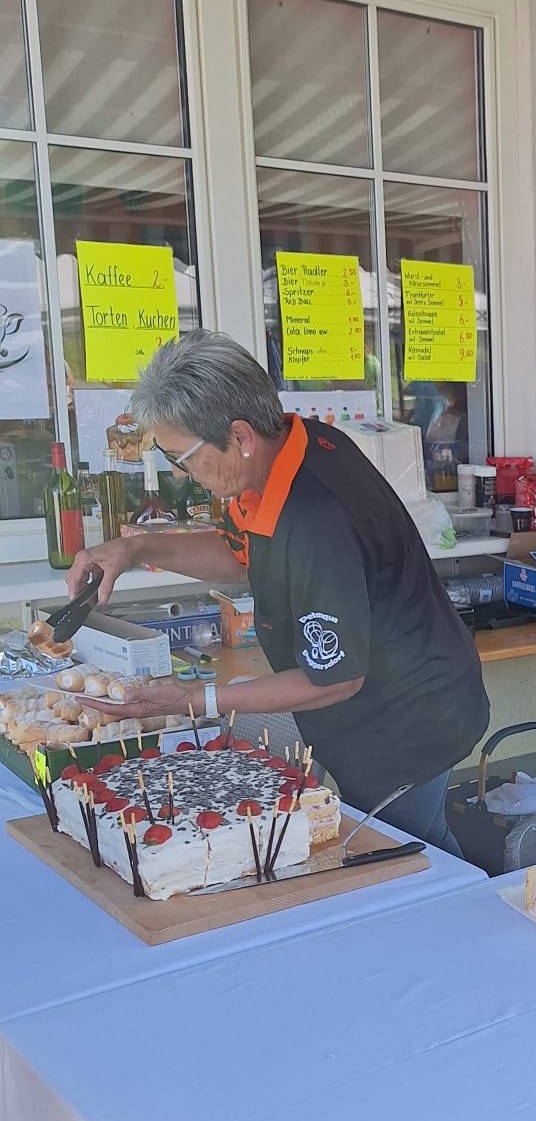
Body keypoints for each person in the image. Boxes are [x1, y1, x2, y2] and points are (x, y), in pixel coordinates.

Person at [67, 331, 488, 855]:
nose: (179, 474)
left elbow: (335, 679)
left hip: (408, 717)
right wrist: (135, 548)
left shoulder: (315, 520)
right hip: (373, 699)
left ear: (240, 436)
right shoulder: (288, 446)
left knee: (414, 856)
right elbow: (240, 555)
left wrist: (198, 699)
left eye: (183, 457)